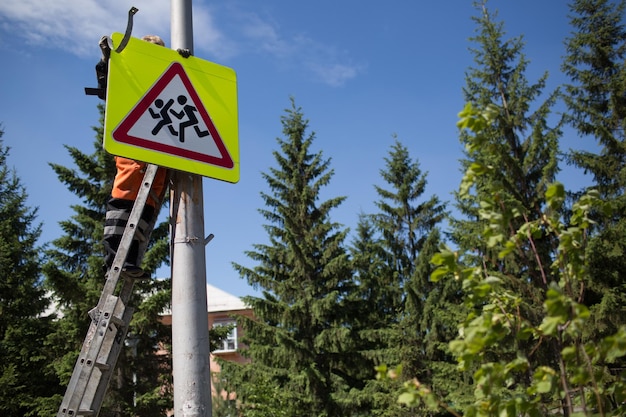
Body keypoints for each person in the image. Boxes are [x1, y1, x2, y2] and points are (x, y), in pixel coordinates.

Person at [97, 35, 170, 278]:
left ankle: (131, 260)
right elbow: (109, 83)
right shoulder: (129, 70)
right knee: (126, 192)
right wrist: (108, 59)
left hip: (159, 145)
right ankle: (114, 260)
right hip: (133, 142)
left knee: (149, 202)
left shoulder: (166, 72)